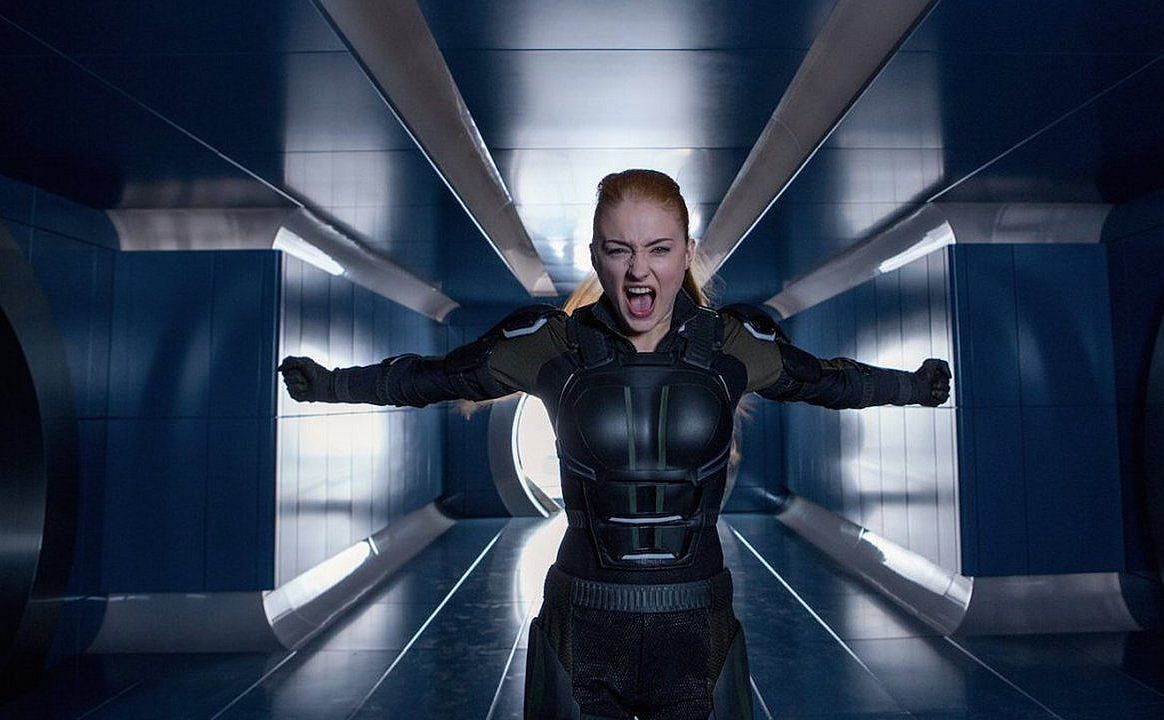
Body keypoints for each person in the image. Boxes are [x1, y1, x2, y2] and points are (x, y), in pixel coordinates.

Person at [279, 169, 951, 719]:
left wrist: (912, 387)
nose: (638, 271)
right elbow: (434, 377)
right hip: (582, 624)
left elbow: (828, 380)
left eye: (658, 249)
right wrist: (331, 385)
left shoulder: (731, 346)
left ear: (686, 253)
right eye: (619, 249)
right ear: (595, 255)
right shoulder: (552, 345)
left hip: (698, 625)